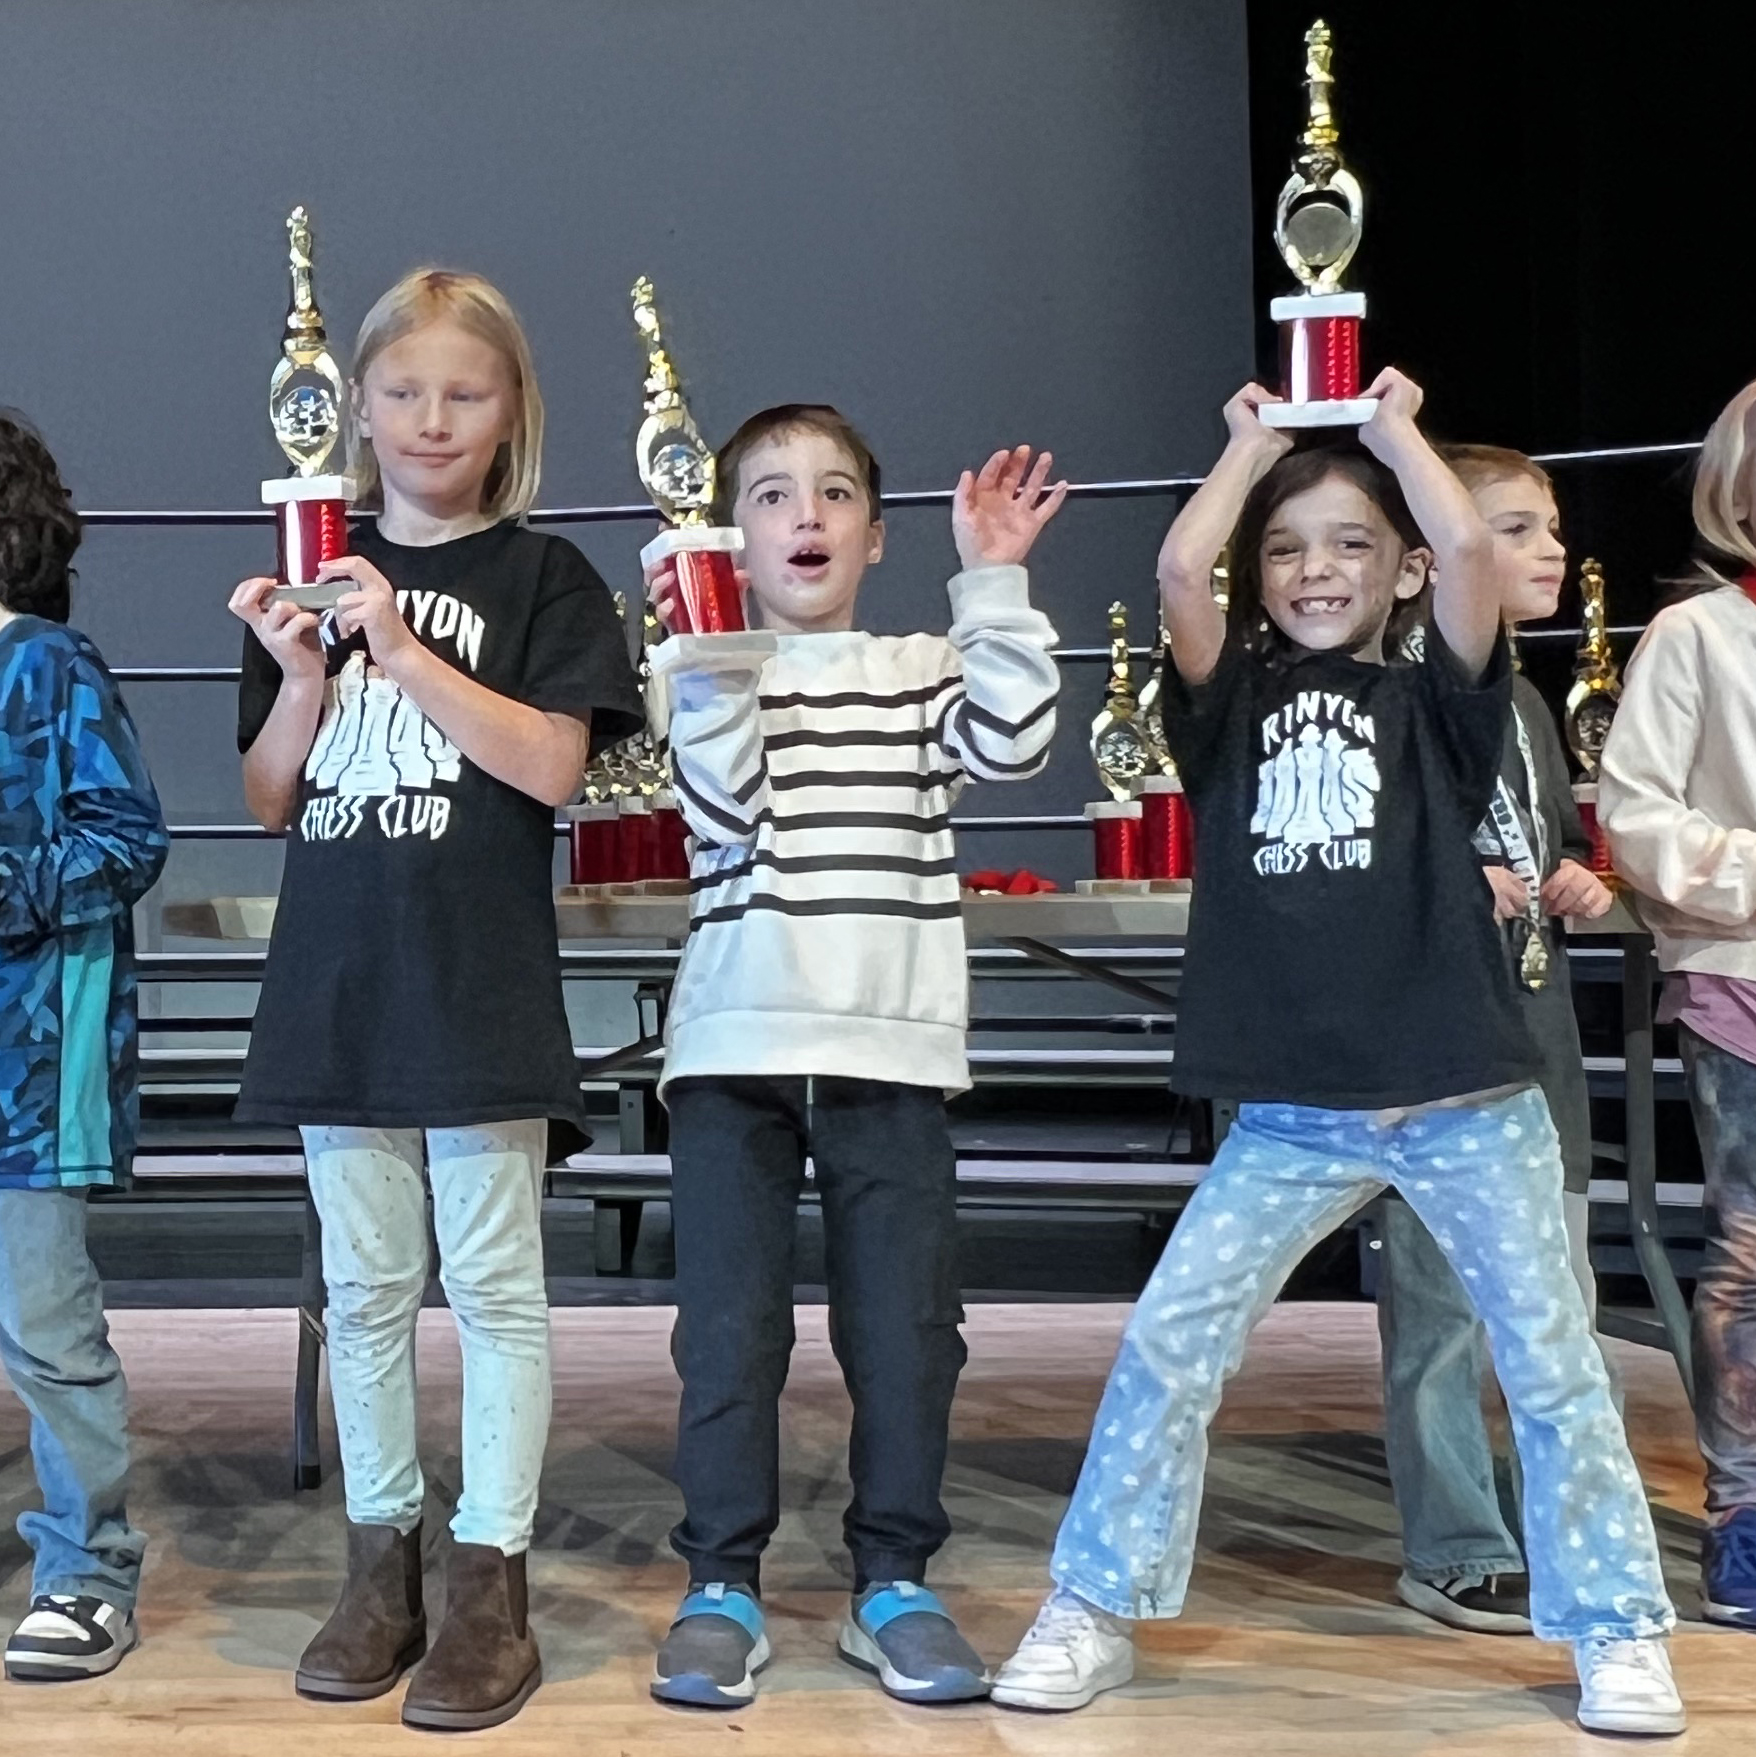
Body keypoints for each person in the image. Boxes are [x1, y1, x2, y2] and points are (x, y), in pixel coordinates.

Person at [991, 375, 1683, 1738]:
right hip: (1296, 1115)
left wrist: (1387, 433)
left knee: (1553, 1367)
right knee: (1172, 1349)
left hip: (1467, 1101)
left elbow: (1476, 552)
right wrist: (1252, 443)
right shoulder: (1229, 696)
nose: (1317, 568)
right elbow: (1181, 562)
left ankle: (1617, 1630)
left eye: (1353, 544)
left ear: (1407, 570)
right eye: (1292, 545)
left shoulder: (1446, 697)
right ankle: (1095, 1603)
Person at [228, 270, 642, 1731]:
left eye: (463, 391)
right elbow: (274, 796)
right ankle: (379, 1565)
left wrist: (400, 648)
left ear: (511, 409)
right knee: (366, 1296)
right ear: (357, 408)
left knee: (498, 1292)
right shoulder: (310, 571)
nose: (429, 418)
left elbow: (551, 769)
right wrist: (303, 676)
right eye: (401, 391)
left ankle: (491, 1580)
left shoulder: (546, 580)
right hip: (338, 992)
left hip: (477, 994)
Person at [645, 406, 1064, 1708]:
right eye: (770, 496)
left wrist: (992, 576)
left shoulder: (923, 662)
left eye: (832, 495)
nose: (805, 516)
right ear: (735, 533)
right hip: (735, 1047)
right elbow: (720, 811)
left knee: (906, 1333)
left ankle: (894, 1580)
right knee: (727, 1333)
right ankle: (722, 1580)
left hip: (890, 1051)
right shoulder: (695, 666)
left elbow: (1016, 740)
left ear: (877, 537)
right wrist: (709, 651)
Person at [1377, 443, 1616, 1635]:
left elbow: (1553, 842)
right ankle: (1453, 1542)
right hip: (1437, 1051)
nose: (1549, 550)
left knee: (1554, 1301)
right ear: (1434, 557)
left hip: (1536, 1039)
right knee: (1438, 1305)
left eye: (1548, 527)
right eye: (1514, 529)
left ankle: (1566, 1524)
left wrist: (1571, 878)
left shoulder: (1521, 701)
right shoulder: (1394, 688)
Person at [0, 412, 167, 1681]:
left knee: (47, 1327)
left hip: (29, 1069)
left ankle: (87, 1564)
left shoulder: (49, 666)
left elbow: (124, 835)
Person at [1599, 376, 1756, 1631]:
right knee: (1752, 1257)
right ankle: (1744, 1511)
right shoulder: (1695, 636)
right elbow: (1636, 817)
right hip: (1744, 975)